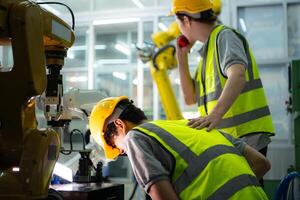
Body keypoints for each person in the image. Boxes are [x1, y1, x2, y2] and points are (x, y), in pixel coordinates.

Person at [89, 96, 271, 200]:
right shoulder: (193, 124)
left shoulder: (134, 137)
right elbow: (261, 163)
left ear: (120, 126)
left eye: (115, 146)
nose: (122, 152)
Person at [173, 0, 275, 161]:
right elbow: (190, 99)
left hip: (245, 135)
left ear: (186, 20)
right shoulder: (206, 55)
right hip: (228, 138)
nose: (178, 27)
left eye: (177, 21)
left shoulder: (224, 36)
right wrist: (181, 57)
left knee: (242, 186)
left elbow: (238, 74)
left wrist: (215, 115)